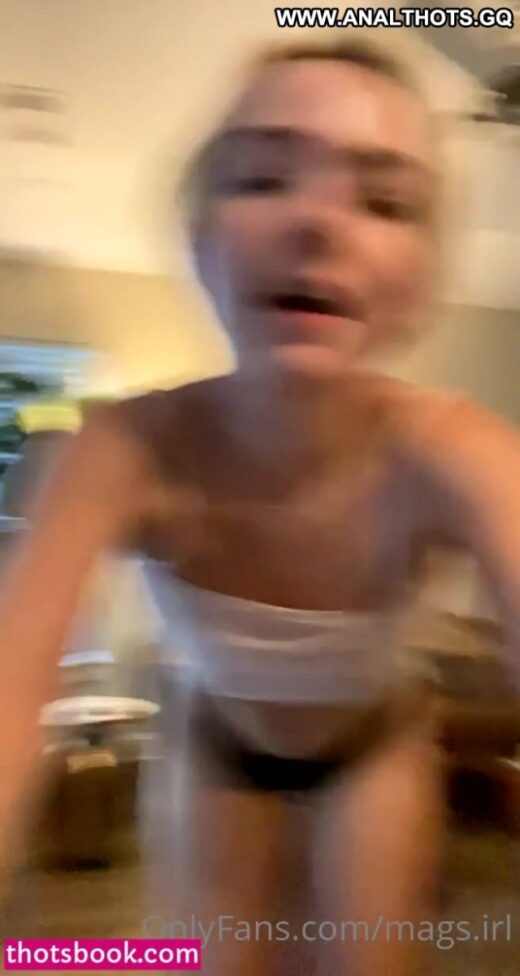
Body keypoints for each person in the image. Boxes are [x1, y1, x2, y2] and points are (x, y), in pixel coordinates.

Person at [1, 37, 519, 975]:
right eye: (263, 178)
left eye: (384, 201)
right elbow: (13, 676)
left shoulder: (461, 455)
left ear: (418, 287)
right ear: (200, 241)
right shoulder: (121, 449)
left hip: (373, 756)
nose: (318, 220)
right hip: (213, 754)